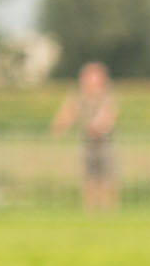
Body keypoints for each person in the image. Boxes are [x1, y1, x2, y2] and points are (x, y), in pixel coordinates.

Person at [51, 61, 121, 212]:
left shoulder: (106, 97)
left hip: (104, 144)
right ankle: (91, 212)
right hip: (88, 144)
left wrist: (98, 125)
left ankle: (109, 212)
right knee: (90, 180)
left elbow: (109, 116)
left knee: (107, 179)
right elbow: (66, 115)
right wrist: (60, 127)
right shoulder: (79, 98)